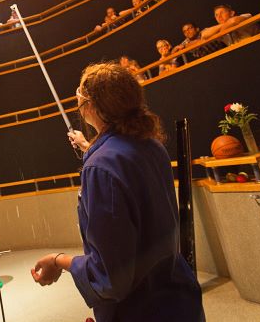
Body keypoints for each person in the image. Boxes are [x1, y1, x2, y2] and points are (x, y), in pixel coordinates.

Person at [31, 63, 204, 321]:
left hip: (141, 310)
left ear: (91, 106)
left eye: (79, 92)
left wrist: (57, 261)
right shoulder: (151, 145)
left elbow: (111, 277)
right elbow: (121, 164)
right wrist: (90, 147)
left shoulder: (99, 168)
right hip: (178, 300)